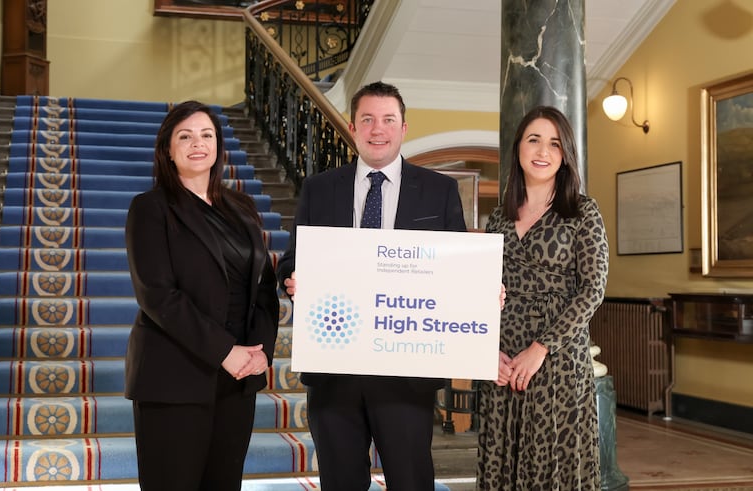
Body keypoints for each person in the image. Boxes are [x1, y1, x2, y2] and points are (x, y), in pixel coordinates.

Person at [276, 81, 467, 490]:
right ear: (352, 127)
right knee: (341, 481)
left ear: (404, 128)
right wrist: (293, 279)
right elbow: (293, 260)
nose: (377, 129)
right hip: (334, 368)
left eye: (388, 120)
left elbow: (459, 267)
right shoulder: (319, 188)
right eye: (367, 120)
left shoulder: (439, 190)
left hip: (407, 370)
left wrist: (479, 292)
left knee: (410, 480)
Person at [124, 100, 280, 491]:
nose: (198, 143)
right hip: (175, 376)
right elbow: (158, 296)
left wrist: (261, 351)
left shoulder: (241, 208)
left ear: (218, 146)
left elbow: (262, 287)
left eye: (206, 135)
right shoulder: (150, 209)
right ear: (168, 150)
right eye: (185, 136)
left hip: (237, 380)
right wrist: (225, 352)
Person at [477, 105, 609, 490]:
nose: (543, 151)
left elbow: (593, 288)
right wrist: (487, 351)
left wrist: (541, 348)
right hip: (503, 358)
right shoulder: (499, 218)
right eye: (534, 139)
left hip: (558, 362)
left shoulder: (583, 211)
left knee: (553, 466)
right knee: (503, 458)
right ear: (518, 147)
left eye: (554, 143)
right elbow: (482, 289)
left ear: (565, 153)